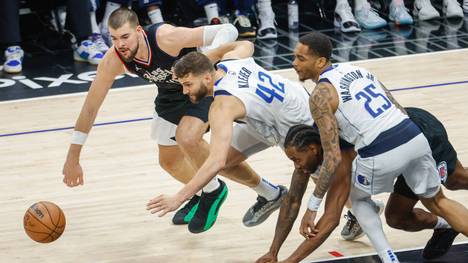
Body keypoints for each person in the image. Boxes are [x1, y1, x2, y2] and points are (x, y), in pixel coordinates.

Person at [62, 8, 280, 234]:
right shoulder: (114, 59)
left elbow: (228, 29)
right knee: (169, 161)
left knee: (187, 137)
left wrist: (208, 57)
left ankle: (213, 191)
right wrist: (73, 157)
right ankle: (247, 194)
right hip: (170, 95)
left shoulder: (166, 37)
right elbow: (90, 107)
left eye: (125, 37)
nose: (120, 44)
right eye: (114, 38)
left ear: (138, 31)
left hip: (202, 86)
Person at [294, 31, 468, 263]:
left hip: (381, 150)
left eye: (300, 58)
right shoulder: (358, 70)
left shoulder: (319, 96)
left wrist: (312, 206)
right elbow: (397, 107)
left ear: (321, 61)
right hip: (413, 135)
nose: (294, 63)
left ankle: (389, 259)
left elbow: (333, 158)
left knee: (357, 199)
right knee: (438, 202)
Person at [146, 38, 319, 229]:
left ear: (206, 78)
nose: (185, 92)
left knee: (327, 180)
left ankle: (353, 212)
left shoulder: (223, 105)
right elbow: (246, 44)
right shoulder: (232, 60)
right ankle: (272, 195)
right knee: (226, 162)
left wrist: (178, 198)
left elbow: (215, 161)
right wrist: (201, 59)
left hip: (301, 125)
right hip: (271, 114)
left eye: (188, 84)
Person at [257, 107, 468, 262]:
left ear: (313, 149)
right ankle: (446, 226)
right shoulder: (307, 150)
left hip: (419, 132)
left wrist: (291, 261)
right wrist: (273, 252)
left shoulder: (338, 154)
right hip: (395, 146)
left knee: (455, 181)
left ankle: (390, 257)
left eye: (296, 159)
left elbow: (331, 218)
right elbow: (293, 200)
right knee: (396, 217)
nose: (296, 166)